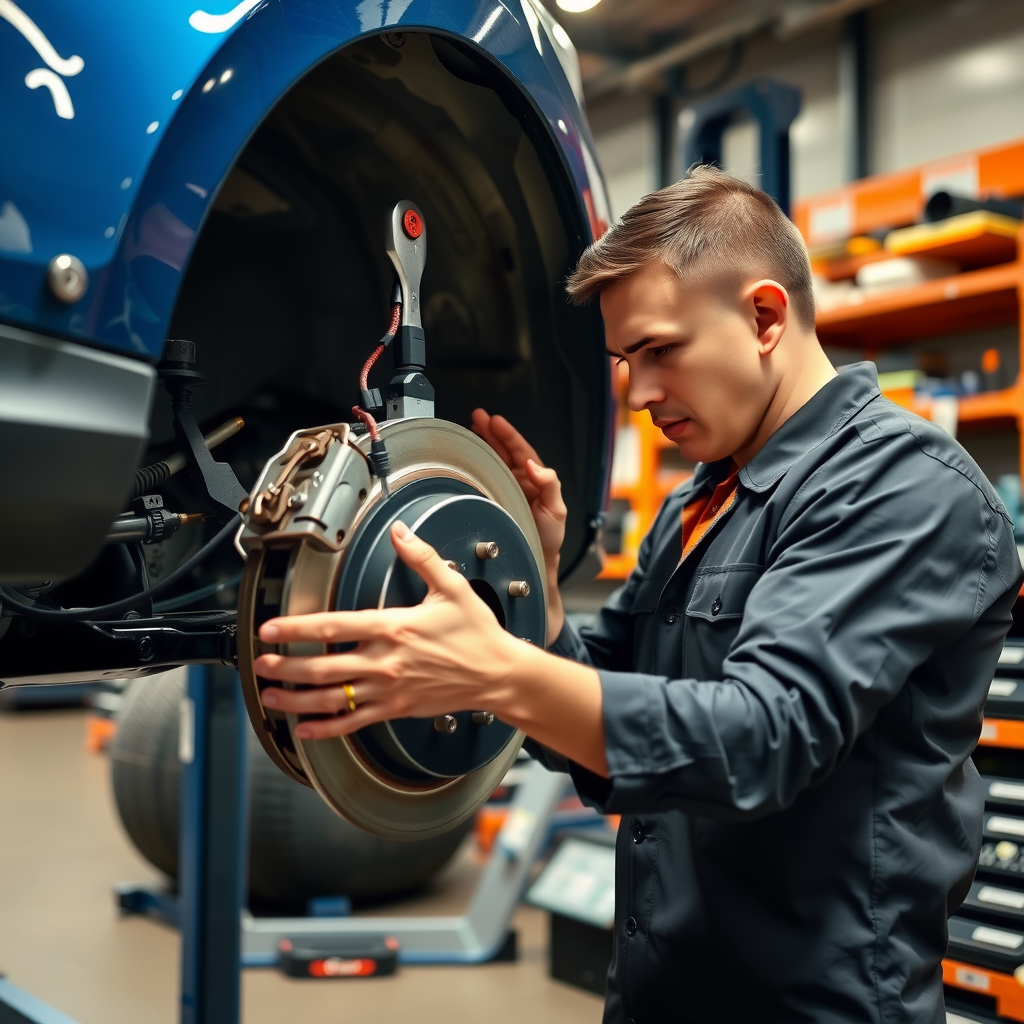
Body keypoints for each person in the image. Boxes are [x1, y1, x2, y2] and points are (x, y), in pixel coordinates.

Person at [252, 166, 1022, 1023]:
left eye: (661, 349)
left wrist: (498, 673)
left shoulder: (902, 488)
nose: (641, 393)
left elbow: (764, 738)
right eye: (625, 361)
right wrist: (535, 586)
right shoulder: (701, 499)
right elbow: (594, 710)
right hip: (659, 990)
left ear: (766, 316)